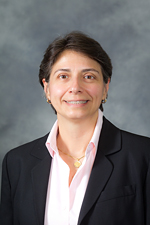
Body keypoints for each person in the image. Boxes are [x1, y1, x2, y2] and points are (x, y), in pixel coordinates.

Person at [0, 31, 150, 225]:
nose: (75, 87)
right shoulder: (16, 163)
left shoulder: (144, 156)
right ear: (47, 89)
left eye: (88, 76)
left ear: (105, 87)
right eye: (63, 76)